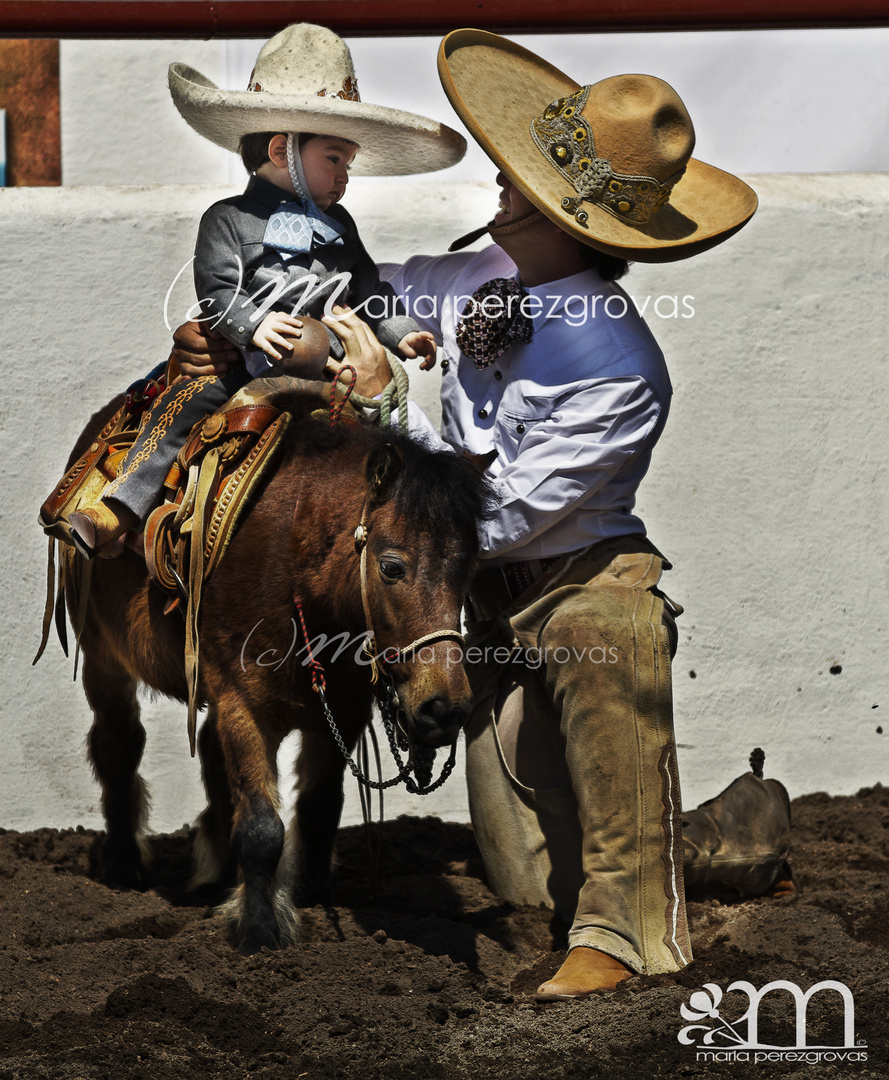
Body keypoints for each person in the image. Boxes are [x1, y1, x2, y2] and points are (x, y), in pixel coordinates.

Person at [171, 29, 760, 1000]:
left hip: (572, 584)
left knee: (615, 648)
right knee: (522, 877)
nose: (500, 180)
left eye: (520, 178)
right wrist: (294, 337)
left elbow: (512, 516)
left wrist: (386, 545)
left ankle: (626, 934)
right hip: (476, 603)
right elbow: (373, 292)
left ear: (569, 217)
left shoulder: (618, 367)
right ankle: (664, 849)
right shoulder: (474, 280)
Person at [68, 23, 464, 557]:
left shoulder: (341, 225)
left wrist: (402, 334)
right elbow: (216, 290)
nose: (345, 175)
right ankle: (119, 509)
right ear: (281, 150)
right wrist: (254, 324)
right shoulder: (226, 220)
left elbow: (371, 290)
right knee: (181, 411)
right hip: (244, 362)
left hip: (331, 369)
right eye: (334, 159)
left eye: (347, 162)